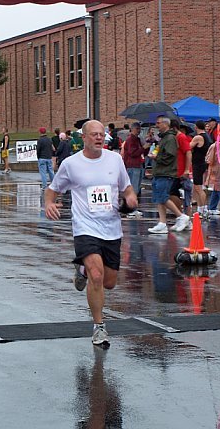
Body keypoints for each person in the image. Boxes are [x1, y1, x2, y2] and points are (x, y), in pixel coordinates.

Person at [44, 119, 137, 347]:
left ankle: (82, 268)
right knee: (97, 276)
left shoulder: (115, 160)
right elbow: (52, 189)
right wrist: (49, 204)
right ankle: (99, 327)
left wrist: (131, 198)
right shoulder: (71, 164)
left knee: (109, 282)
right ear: (83, 138)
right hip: (85, 228)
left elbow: (126, 187)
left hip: (111, 228)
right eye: (93, 134)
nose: (98, 137)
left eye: (101, 134)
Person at [148, 116, 190, 234]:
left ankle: (181, 216)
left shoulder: (170, 138)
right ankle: (162, 223)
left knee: (163, 196)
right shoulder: (164, 138)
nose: (157, 125)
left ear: (166, 124)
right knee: (158, 198)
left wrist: (157, 157)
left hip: (166, 172)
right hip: (160, 171)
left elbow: (170, 155)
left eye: (158, 123)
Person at [169, 120, 193, 230]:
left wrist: (187, 170)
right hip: (175, 171)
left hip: (181, 172)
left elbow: (188, 152)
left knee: (184, 196)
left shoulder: (181, 137)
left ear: (173, 128)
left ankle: (184, 218)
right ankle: (183, 218)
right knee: (174, 194)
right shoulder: (175, 138)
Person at [122, 122, 150, 217]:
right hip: (133, 166)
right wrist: (143, 148)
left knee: (136, 189)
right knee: (133, 189)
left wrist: (147, 146)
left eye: (140, 129)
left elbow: (143, 153)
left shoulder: (138, 140)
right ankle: (130, 209)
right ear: (132, 129)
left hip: (139, 165)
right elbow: (132, 153)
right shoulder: (130, 140)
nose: (139, 131)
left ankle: (133, 208)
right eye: (137, 129)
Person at [190, 120, 211, 217]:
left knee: (198, 187)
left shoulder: (198, 137)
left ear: (196, 127)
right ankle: (200, 208)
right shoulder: (207, 136)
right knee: (197, 186)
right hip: (203, 163)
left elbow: (188, 147)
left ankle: (204, 208)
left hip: (198, 163)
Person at [205, 131, 220, 215]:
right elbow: (208, 160)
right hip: (216, 172)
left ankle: (212, 207)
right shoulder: (214, 146)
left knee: (217, 190)